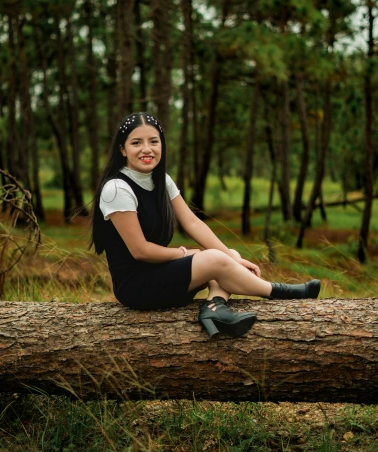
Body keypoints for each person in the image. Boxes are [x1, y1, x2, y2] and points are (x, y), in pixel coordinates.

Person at [90, 112, 320, 338]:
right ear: (122, 149)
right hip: (137, 287)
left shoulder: (161, 180)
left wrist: (235, 261)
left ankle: (213, 308)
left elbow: (192, 222)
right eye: (136, 143)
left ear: (162, 145)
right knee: (214, 258)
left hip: (162, 276)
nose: (147, 149)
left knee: (228, 253)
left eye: (154, 141)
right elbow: (140, 251)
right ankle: (280, 292)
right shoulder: (117, 188)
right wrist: (182, 253)